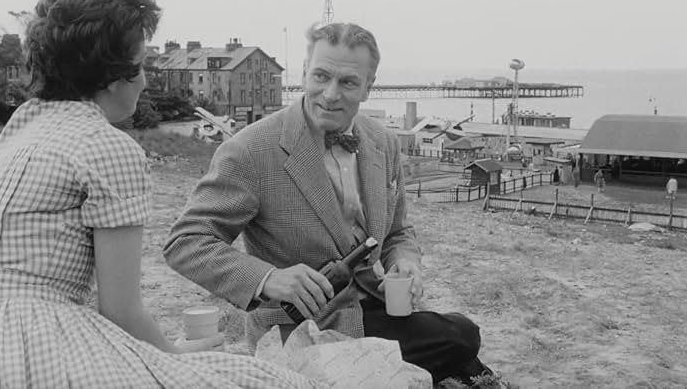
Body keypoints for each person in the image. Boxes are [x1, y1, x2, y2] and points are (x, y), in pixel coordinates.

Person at [0, 0, 320, 389]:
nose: (143, 81)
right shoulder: (108, 146)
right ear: (109, 74)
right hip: (38, 346)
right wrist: (173, 360)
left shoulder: (22, 126)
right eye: (137, 67)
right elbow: (120, 310)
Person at [164, 22, 491, 385]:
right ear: (304, 73)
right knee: (460, 340)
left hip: (375, 312)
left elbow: (398, 232)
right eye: (320, 76)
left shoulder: (383, 142)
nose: (330, 94)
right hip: (300, 332)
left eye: (348, 82)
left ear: (369, 87)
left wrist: (405, 262)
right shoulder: (249, 150)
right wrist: (270, 279)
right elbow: (186, 243)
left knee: (463, 337)